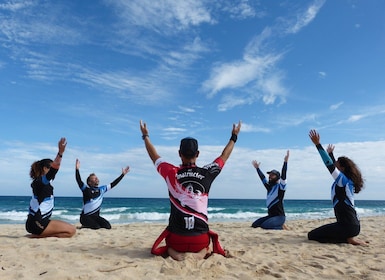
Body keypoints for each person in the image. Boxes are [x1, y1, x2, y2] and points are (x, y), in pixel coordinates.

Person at [140, 120, 241, 261]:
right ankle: (200, 253)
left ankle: (175, 254)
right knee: (208, 247)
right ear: (197, 154)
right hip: (199, 240)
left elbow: (154, 156)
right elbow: (224, 156)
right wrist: (233, 137)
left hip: (177, 240)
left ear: (179, 153)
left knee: (169, 246)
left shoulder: (171, 172)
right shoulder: (207, 172)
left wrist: (145, 136)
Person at [308, 129, 367, 245]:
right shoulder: (345, 181)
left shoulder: (343, 181)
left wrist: (318, 145)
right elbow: (334, 165)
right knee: (318, 234)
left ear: (342, 168)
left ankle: (348, 239)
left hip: (348, 226)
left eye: (337, 164)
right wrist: (331, 154)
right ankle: (349, 238)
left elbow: (329, 165)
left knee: (312, 235)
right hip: (352, 226)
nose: (334, 164)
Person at [26, 137, 76, 238]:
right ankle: (35, 236)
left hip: (37, 222)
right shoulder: (40, 182)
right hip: (37, 222)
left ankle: (36, 235)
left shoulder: (45, 182)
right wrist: (60, 153)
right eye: (50, 167)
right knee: (71, 231)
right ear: (45, 168)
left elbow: (53, 172)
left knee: (70, 231)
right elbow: (54, 170)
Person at [75, 159, 130, 229]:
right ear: (89, 182)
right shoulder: (86, 189)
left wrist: (122, 175)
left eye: (97, 178)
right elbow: (78, 180)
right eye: (94, 178)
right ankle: (85, 225)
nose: (97, 179)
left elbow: (113, 184)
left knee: (107, 226)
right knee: (96, 227)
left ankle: (90, 225)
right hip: (85, 217)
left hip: (96, 217)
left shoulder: (101, 189)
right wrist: (77, 169)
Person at [251, 150, 289, 230]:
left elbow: (284, 176)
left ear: (277, 177)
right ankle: (279, 225)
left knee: (265, 226)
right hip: (271, 216)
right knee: (255, 225)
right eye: (269, 175)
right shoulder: (269, 187)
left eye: (272, 175)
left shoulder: (280, 188)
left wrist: (285, 162)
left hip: (279, 217)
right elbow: (262, 178)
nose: (270, 176)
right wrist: (257, 168)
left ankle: (281, 227)